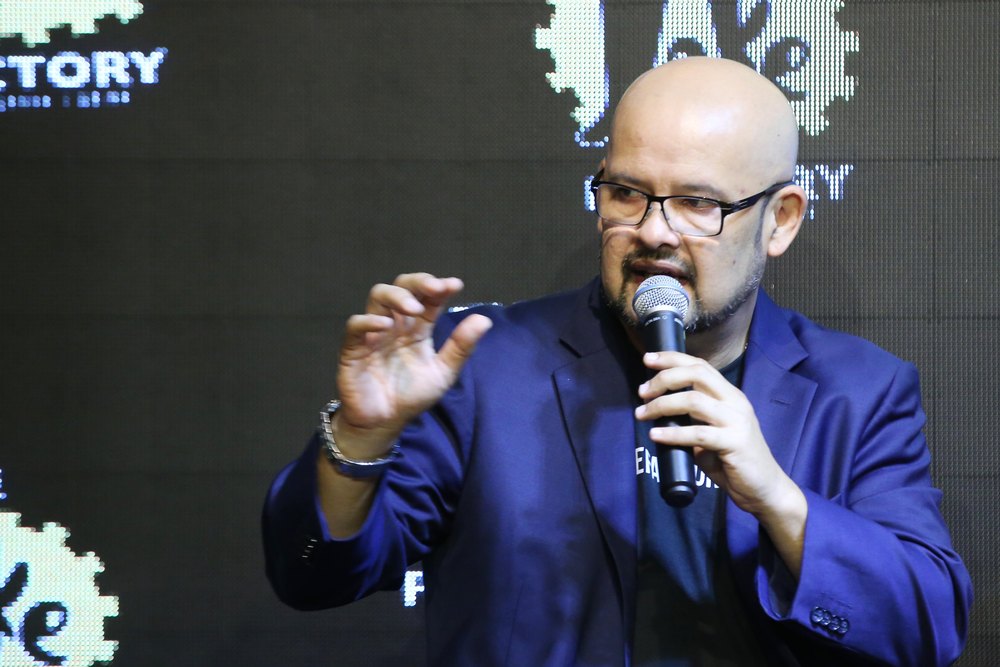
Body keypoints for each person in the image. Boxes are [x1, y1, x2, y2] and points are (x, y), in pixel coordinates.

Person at [262, 57, 972, 666]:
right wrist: (361, 437)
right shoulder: (484, 366)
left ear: (780, 218)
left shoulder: (860, 390)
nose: (653, 232)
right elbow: (313, 574)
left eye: (697, 203)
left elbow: (928, 627)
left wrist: (780, 500)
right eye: (627, 193)